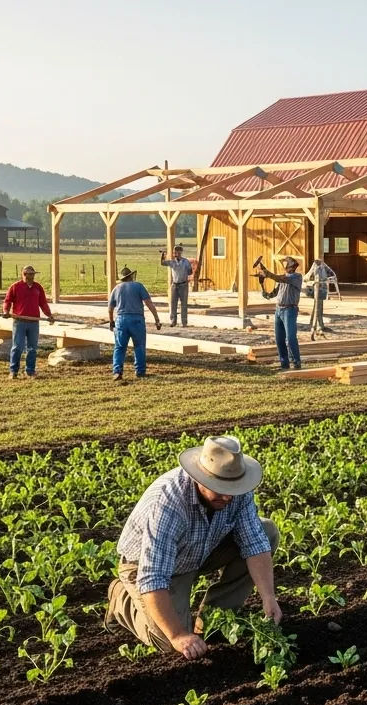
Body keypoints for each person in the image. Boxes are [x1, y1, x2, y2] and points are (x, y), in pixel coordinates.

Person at [105, 435, 280, 659]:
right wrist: (178, 635)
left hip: (199, 550)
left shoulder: (237, 490)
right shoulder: (169, 504)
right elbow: (153, 577)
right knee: (169, 642)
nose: (228, 496)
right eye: (220, 488)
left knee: (267, 532)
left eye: (232, 488)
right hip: (146, 566)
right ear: (200, 478)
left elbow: (254, 542)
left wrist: (268, 597)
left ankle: (215, 620)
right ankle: (121, 599)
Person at [1, 265, 56, 380]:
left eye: (32, 274)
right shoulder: (15, 287)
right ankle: (13, 371)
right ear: (24, 275)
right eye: (29, 274)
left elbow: (43, 303)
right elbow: (7, 301)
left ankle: (30, 371)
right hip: (19, 321)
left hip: (34, 322)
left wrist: (49, 315)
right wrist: (6, 311)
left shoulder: (38, 287)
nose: (31, 277)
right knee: (17, 347)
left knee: (32, 348)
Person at [107, 266, 162, 382]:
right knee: (139, 346)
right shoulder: (138, 286)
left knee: (119, 347)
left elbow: (110, 308)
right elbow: (149, 303)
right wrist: (156, 319)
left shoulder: (116, 289)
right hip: (137, 320)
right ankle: (140, 371)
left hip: (121, 320)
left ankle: (117, 371)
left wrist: (111, 322)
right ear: (131, 276)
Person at [254, 256, 303, 370]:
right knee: (279, 339)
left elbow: (280, 278)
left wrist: (267, 273)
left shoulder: (296, 277)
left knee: (290, 338)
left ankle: (296, 362)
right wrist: (262, 285)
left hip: (290, 310)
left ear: (291, 266)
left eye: (286, 265)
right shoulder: (282, 278)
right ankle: (284, 364)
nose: (285, 267)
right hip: (279, 310)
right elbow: (272, 294)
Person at [160, 245, 198, 328]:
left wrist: (185, 272)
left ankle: (184, 322)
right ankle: (173, 321)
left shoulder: (186, 262)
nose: (175, 254)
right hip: (175, 285)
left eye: (176, 252)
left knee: (183, 304)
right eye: (174, 252)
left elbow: (190, 272)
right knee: (173, 303)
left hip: (183, 285)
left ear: (180, 252)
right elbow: (163, 263)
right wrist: (163, 255)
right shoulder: (172, 262)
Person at [303, 258, 337, 340]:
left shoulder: (324, 267)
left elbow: (333, 275)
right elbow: (307, 277)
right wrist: (312, 281)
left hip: (322, 289)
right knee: (317, 306)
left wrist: (325, 280)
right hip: (315, 289)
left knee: (318, 306)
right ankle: (315, 325)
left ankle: (317, 325)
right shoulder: (314, 267)